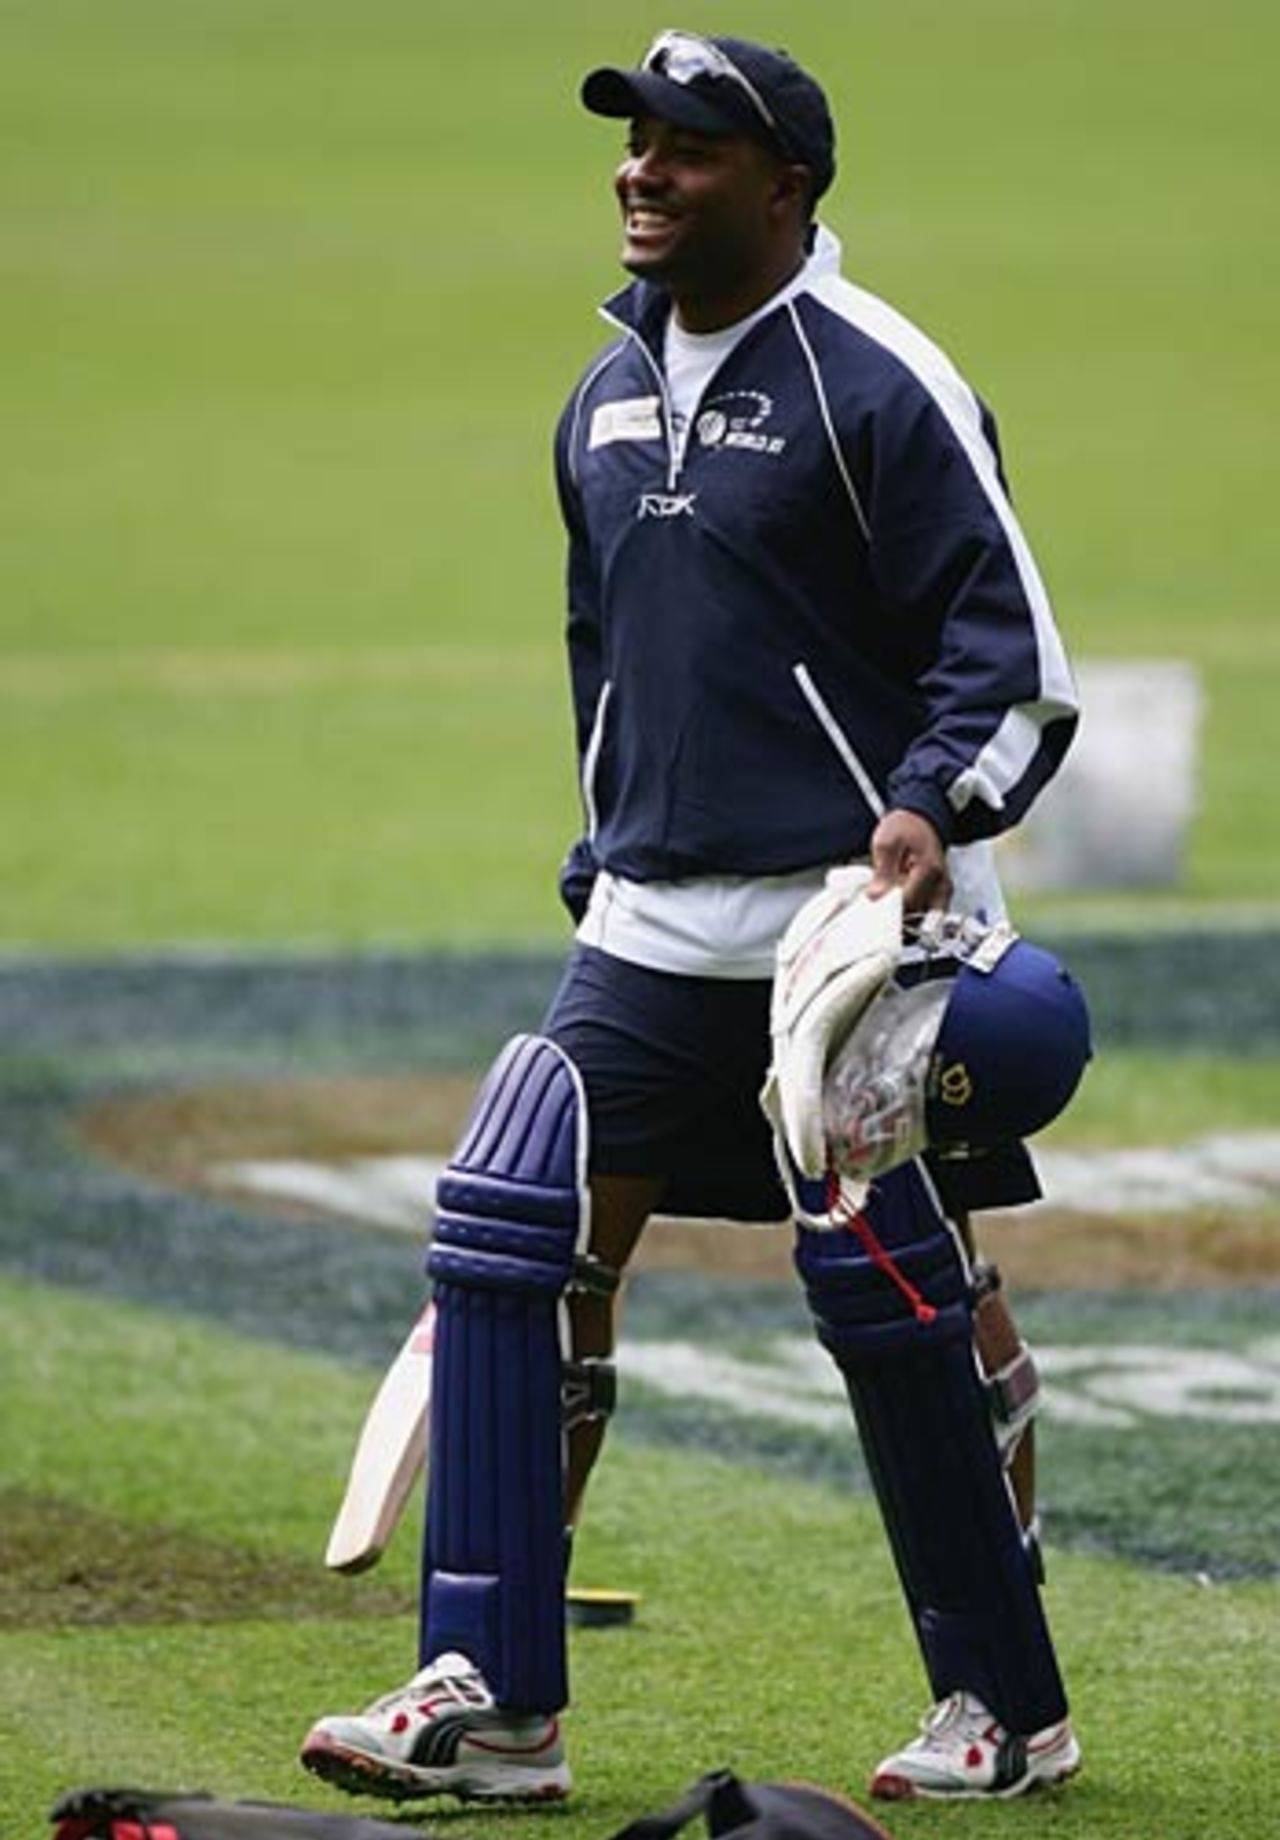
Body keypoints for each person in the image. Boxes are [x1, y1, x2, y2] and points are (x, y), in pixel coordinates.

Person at [300, 30, 1088, 1806]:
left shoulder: (880, 381)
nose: (642, 173)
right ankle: (495, 1703)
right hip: (652, 926)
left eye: (689, 151)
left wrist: (929, 809)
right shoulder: (602, 394)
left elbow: (1017, 665)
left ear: (789, 184)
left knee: (903, 1295)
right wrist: (607, 845)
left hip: (854, 936)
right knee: (519, 1249)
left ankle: (1004, 1701)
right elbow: (609, 653)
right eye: (635, 145)